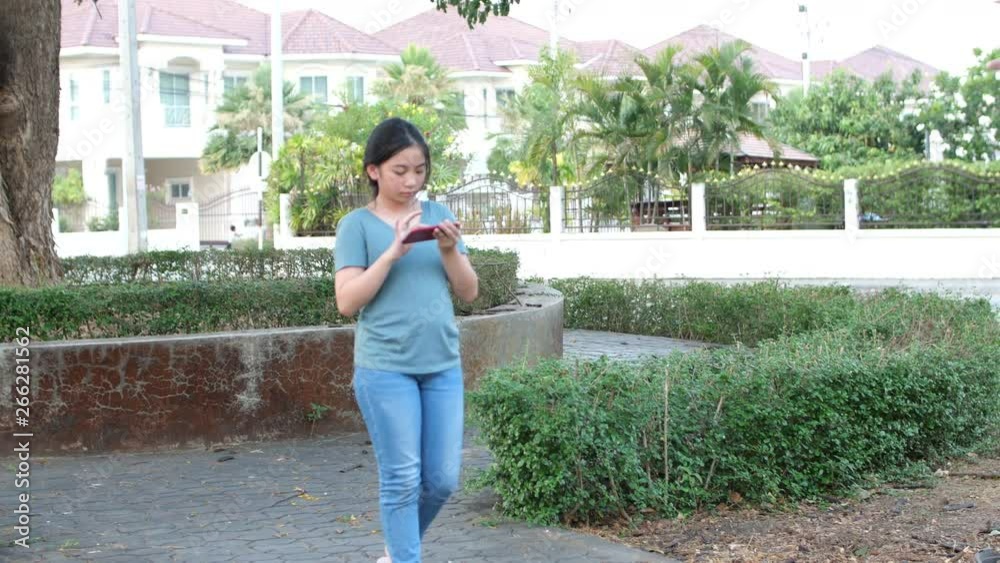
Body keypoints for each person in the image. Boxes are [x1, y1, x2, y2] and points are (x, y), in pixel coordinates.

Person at [333, 117, 479, 563]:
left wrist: (449, 250)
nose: (411, 181)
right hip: (385, 369)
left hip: (442, 366)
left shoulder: (437, 216)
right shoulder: (356, 226)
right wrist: (392, 254)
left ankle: (396, 551)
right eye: (400, 170)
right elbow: (347, 301)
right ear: (374, 170)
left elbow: (469, 292)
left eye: (419, 170)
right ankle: (404, 556)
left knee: (442, 480)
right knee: (401, 480)